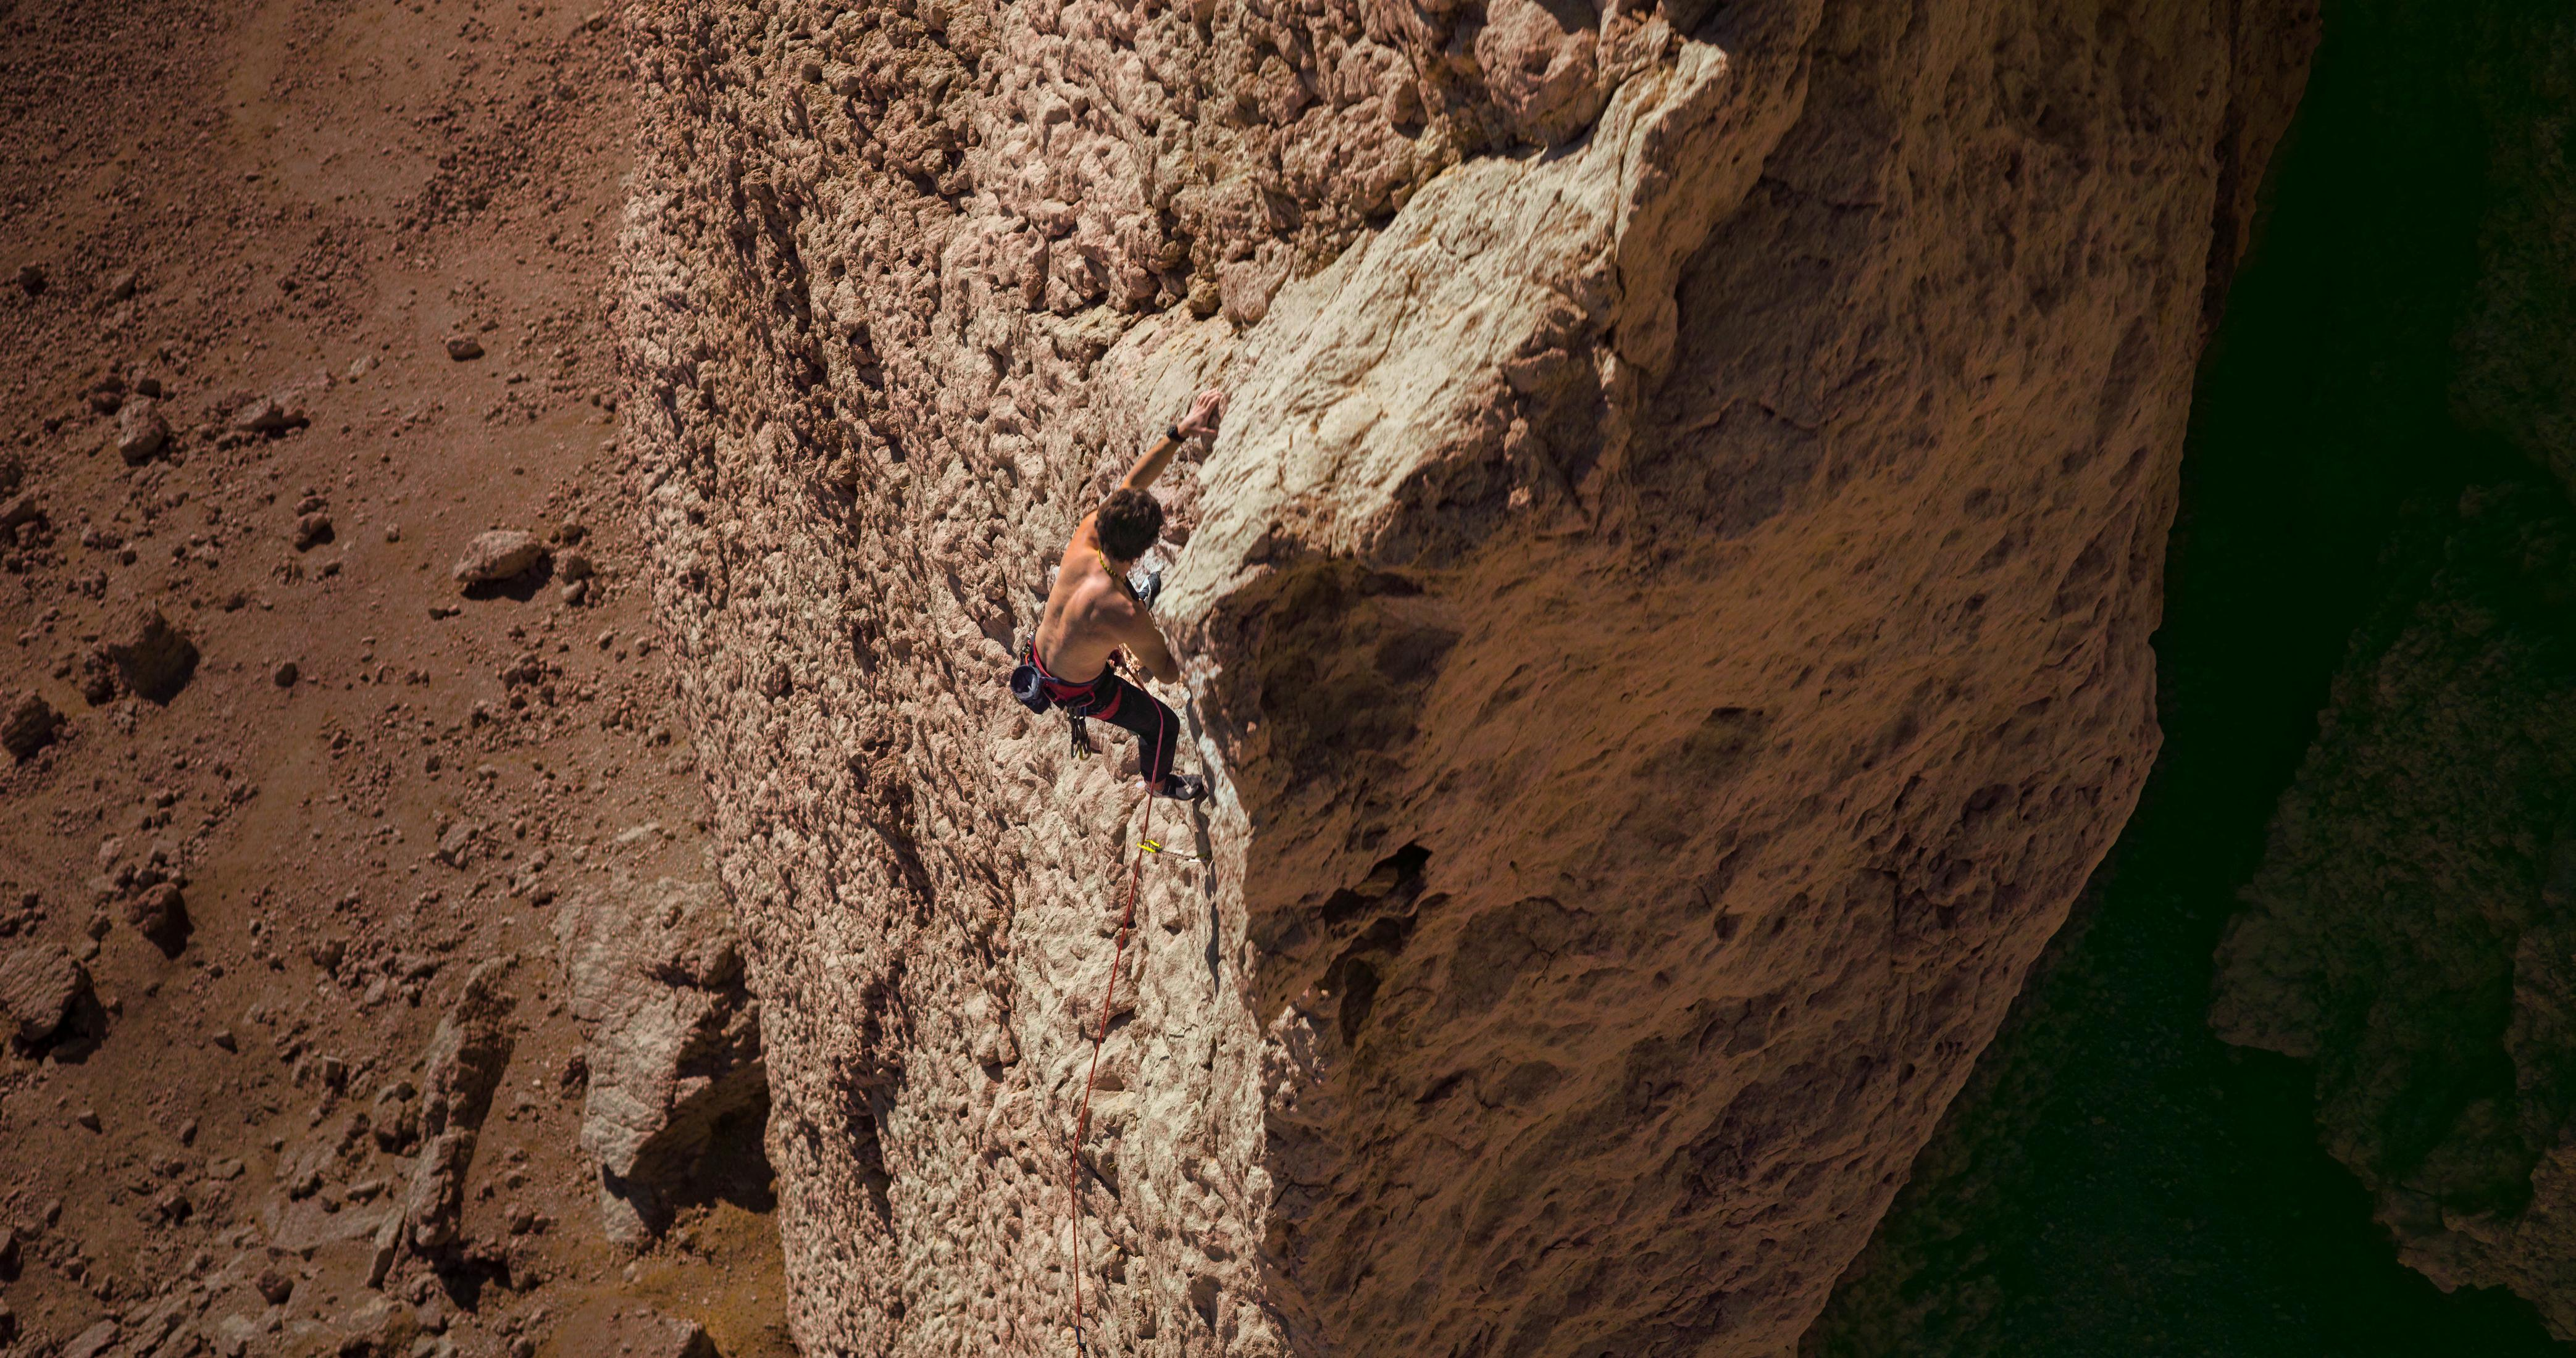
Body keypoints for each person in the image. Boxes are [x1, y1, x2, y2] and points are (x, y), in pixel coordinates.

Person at [1019, 388, 1226, 801]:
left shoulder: (1090, 530)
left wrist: (1181, 431)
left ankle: (1133, 614)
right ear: (1142, 551)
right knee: (1162, 724)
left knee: (1132, 603)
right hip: (1083, 691)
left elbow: (1134, 481)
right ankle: (1159, 783)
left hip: (1042, 657)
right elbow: (1168, 671)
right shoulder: (1122, 611)